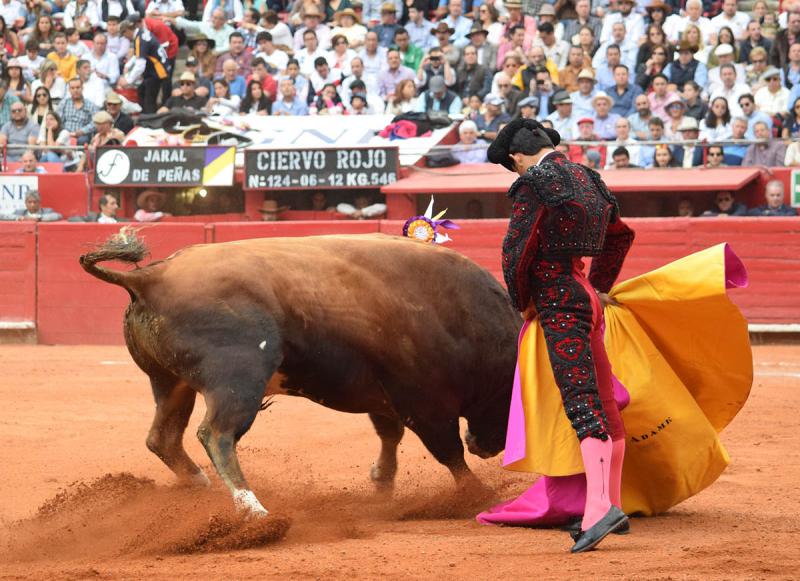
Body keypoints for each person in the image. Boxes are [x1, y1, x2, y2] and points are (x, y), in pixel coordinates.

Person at [487, 118, 633, 553]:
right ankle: (612, 502)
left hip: (558, 300)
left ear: (516, 156)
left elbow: (516, 251)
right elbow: (620, 237)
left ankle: (599, 509)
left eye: (512, 166)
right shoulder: (590, 178)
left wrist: (523, 302)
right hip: (585, 296)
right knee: (603, 401)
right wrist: (599, 287)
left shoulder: (535, 183)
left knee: (582, 403)